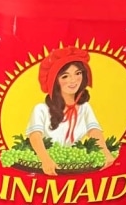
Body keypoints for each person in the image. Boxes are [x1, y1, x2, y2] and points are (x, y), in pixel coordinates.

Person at [26, 46, 116, 175]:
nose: (73, 80)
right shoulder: (41, 109)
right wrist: (45, 160)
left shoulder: (85, 108)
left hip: (75, 170)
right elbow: (35, 136)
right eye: (65, 76)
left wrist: (106, 152)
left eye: (78, 73)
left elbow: (94, 131)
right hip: (47, 171)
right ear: (54, 81)